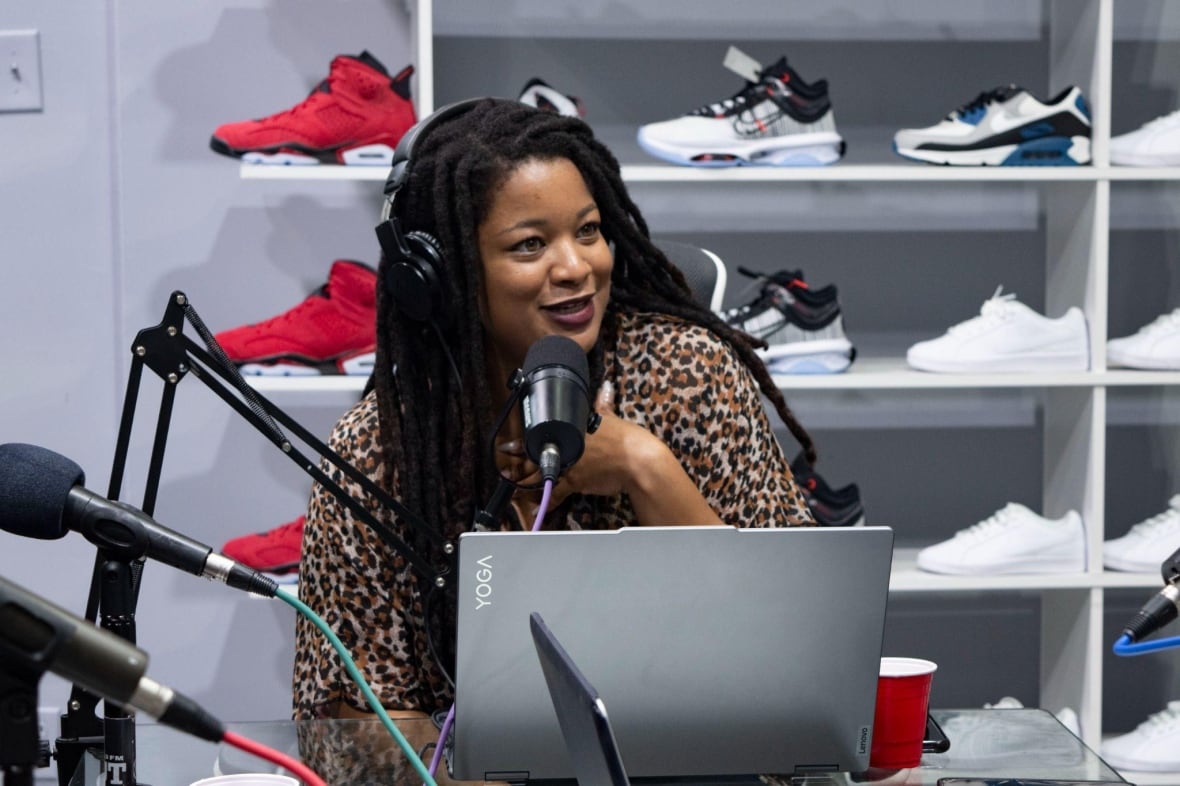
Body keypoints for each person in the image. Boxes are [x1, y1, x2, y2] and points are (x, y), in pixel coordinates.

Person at [292, 98, 817, 722]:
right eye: (530, 244)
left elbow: (785, 640)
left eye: (588, 231)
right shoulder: (380, 450)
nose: (576, 268)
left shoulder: (687, 375)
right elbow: (352, 712)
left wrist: (643, 465)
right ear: (441, 274)